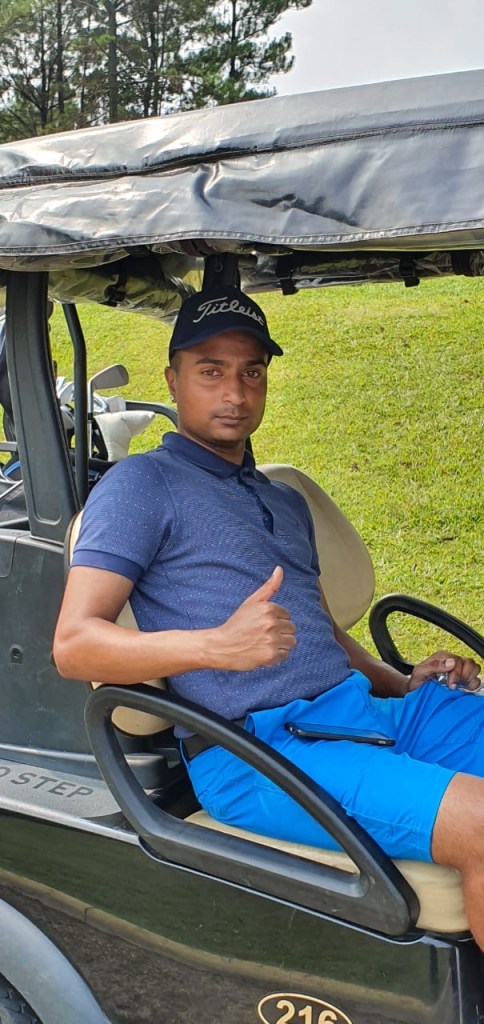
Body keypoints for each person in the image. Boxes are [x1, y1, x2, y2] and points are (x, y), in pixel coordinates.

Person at [54, 285, 484, 948]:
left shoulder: (280, 498)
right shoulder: (141, 486)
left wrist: (402, 682)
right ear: (172, 380)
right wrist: (216, 647)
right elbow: (74, 645)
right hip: (260, 754)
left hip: (362, 717)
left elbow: (321, 631)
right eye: (211, 371)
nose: (235, 392)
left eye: (251, 372)